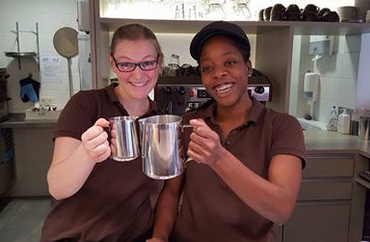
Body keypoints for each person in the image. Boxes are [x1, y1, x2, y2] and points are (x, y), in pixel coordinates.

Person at [148, 21, 307, 242]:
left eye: (230, 62)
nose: (218, 74)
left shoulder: (282, 127)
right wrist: (160, 237)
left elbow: (281, 209)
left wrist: (218, 158)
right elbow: (172, 192)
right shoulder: (189, 123)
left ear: (248, 67)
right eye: (207, 68)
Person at [41, 23, 164, 242]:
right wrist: (87, 154)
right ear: (112, 64)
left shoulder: (159, 121)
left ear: (159, 63)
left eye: (147, 63)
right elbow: (57, 187)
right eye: (126, 64)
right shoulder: (86, 105)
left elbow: (156, 194)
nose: (138, 74)